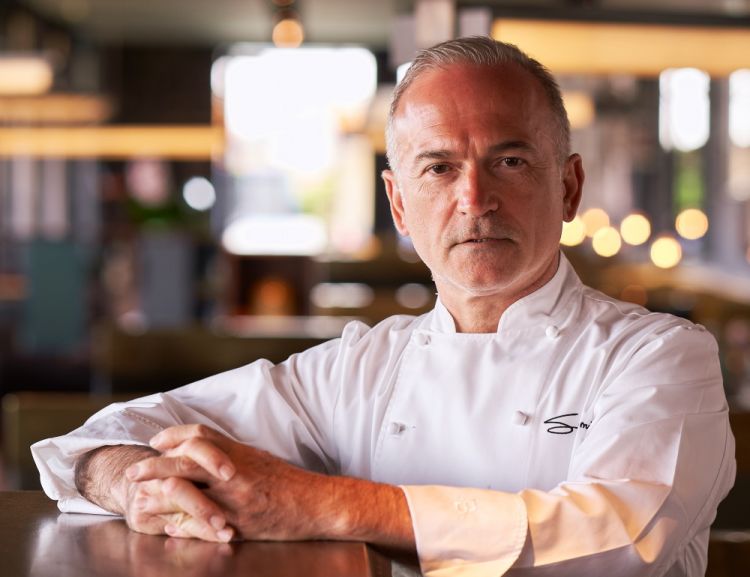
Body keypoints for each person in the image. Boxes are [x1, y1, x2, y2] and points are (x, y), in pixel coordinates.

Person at [32, 36, 735, 577]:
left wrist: (317, 503)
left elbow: (617, 538)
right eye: (439, 167)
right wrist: (131, 481)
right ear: (399, 204)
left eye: (510, 161)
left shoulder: (661, 355)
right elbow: (98, 440)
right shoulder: (362, 368)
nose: (474, 199)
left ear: (570, 187)